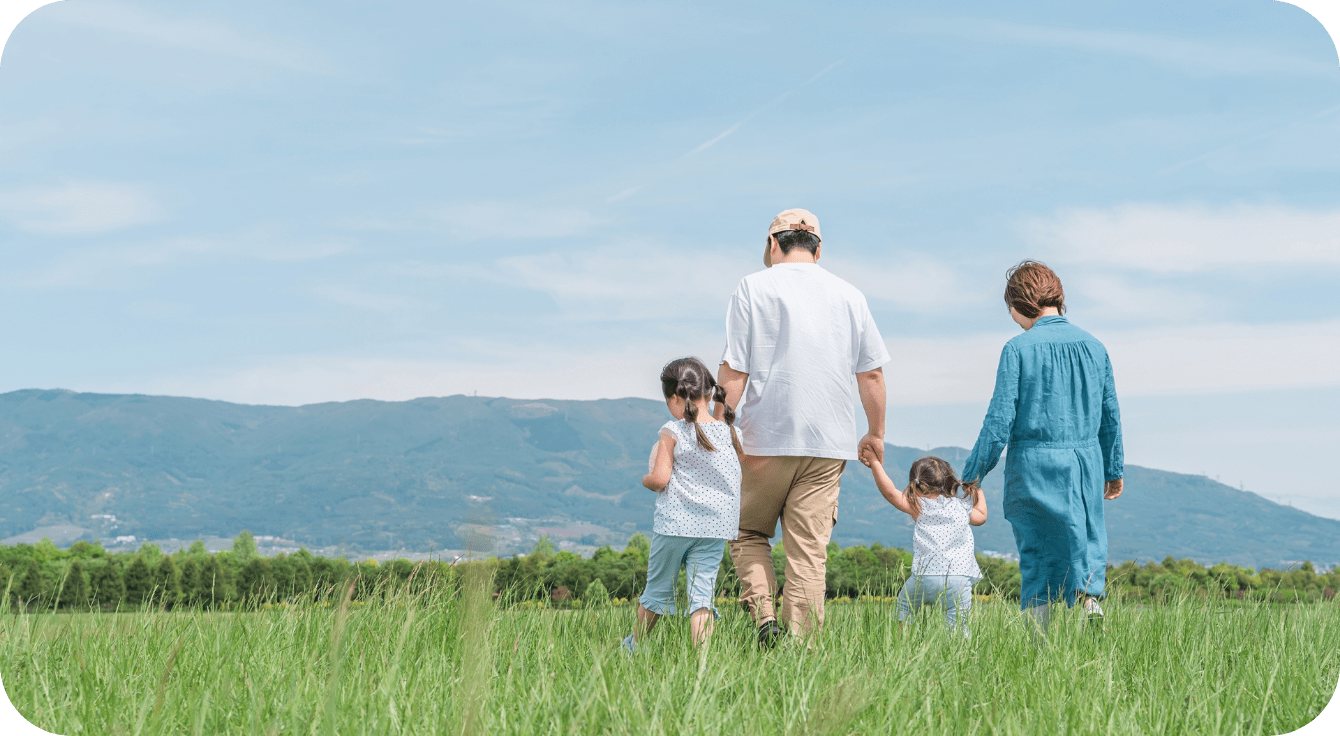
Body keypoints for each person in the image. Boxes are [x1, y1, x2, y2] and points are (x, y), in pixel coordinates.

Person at [716, 208, 889, 646]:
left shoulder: (753, 286)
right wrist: (875, 433)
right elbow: (871, 375)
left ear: (773, 244)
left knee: (746, 531)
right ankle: (801, 650)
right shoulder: (850, 295)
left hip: (764, 436)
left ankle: (764, 619)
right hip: (830, 442)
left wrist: (717, 428)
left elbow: (734, 367)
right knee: (809, 553)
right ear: (818, 248)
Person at [959, 260, 1124, 644]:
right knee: (1084, 539)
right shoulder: (1094, 346)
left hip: (1034, 463)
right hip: (1086, 461)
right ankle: (1089, 602)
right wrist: (1113, 468)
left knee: (1038, 553)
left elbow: (999, 419)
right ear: (1058, 298)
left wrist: (973, 471)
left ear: (1017, 304)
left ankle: (1039, 644)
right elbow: (1110, 413)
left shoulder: (1017, 348)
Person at [622, 357, 743, 655]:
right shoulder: (729, 432)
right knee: (702, 596)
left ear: (676, 397)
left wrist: (645, 479)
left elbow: (661, 479)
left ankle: (635, 648)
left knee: (658, 590)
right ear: (707, 392)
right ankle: (702, 662)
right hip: (715, 528)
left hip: (675, 526)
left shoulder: (672, 431)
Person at [859, 454, 986, 638]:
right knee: (958, 624)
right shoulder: (961, 507)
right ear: (950, 481)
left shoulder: (919, 505)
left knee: (905, 606)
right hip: (959, 579)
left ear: (916, 484)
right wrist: (978, 489)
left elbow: (890, 493)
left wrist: (875, 464)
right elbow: (981, 516)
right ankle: (960, 658)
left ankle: (902, 646)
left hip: (925, 578)